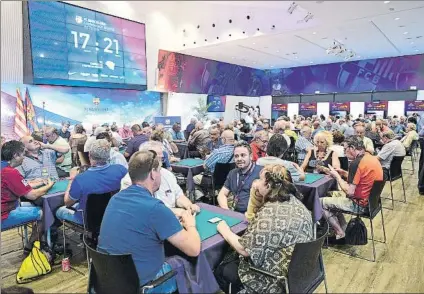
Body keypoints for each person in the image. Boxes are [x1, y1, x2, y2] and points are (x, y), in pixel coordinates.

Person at [98, 150, 201, 293]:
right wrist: (190, 225)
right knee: (184, 263)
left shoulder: (115, 199)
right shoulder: (155, 208)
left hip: (106, 278)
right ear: (153, 173)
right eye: (159, 171)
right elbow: (194, 249)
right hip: (140, 285)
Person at [214, 164, 313, 293]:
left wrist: (224, 229)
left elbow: (245, 250)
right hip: (301, 271)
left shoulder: (271, 212)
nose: (256, 183)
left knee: (221, 271)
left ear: (268, 185)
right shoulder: (294, 202)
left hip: (276, 278)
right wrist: (255, 196)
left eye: (260, 179)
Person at [322, 136, 383, 240]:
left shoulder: (356, 163)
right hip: (373, 203)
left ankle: (340, 233)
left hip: (359, 204)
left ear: (352, 148)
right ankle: (345, 227)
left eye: (345, 149)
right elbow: (363, 177)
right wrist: (344, 173)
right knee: (330, 194)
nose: (344, 153)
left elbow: (349, 192)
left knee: (319, 201)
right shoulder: (371, 158)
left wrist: (337, 177)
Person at [55, 139, 127, 225]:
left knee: (58, 211)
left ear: (89, 155)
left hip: (87, 220)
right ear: (108, 155)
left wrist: (72, 179)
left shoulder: (80, 179)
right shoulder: (121, 170)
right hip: (113, 215)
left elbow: (67, 202)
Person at [1, 140, 55, 255]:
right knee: (44, 212)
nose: (24, 157)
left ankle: (39, 242)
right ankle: (31, 246)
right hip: (5, 215)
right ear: (15, 155)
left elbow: (20, 184)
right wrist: (49, 185)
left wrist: (37, 182)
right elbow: (32, 195)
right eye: (22, 154)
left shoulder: (3, 168)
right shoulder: (11, 172)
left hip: (9, 207)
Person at [217, 142, 262, 213]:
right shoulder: (232, 173)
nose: (239, 159)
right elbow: (222, 194)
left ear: (251, 156)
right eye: (236, 156)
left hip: (253, 215)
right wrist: (227, 211)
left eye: (243, 155)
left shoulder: (261, 173)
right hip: (235, 212)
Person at [193, 130, 235, 197]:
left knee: (193, 178)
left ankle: (202, 198)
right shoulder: (237, 151)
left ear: (224, 139)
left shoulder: (218, 152)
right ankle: (212, 195)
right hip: (230, 181)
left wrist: (209, 158)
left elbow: (205, 166)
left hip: (214, 180)